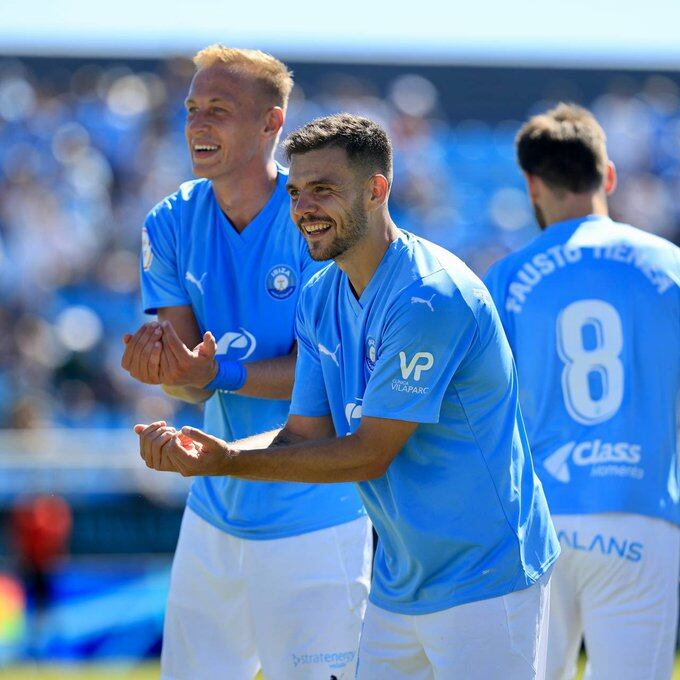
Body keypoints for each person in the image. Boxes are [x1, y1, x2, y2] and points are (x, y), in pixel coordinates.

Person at [135, 113, 560, 679]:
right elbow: (302, 435)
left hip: (485, 580)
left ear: (377, 189)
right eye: (295, 192)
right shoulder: (320, 293)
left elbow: (368, 451)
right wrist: (210, 448)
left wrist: (228, 461)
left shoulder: (429, 298)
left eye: (323, 189)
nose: (304, 207)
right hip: (400, 583)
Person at [120, 48, 370, 680]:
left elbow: (335, 373)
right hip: (214, 509)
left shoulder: (323, 219)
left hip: (313, 512)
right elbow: (185, 369)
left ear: (271, 123)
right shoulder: (171, 219)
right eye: (192, 110)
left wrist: (216, 375)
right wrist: (159, 369)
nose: (198, 125)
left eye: (220, 111)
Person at [484, 103, 680, 680]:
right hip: (643, 512)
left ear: (532, 185)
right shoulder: (672, 266)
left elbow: (482, 408)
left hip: (538, 519)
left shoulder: (508, 275)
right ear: (609, 176)